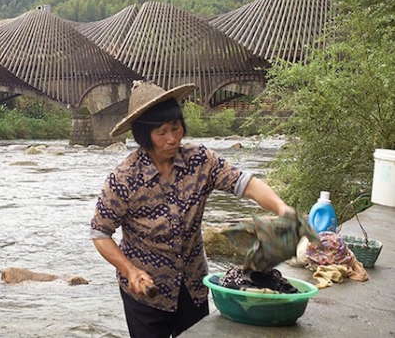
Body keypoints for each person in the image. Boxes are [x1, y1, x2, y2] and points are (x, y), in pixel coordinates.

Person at [90, 81, 293, 338]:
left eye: (176, 128)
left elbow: (245, 183)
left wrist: (281, 208)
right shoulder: (124, 178)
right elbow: (99, 233)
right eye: (162, 132)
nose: (173, 138)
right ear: (144, 136)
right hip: (146, 295)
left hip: (193, 286)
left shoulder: (200, 160)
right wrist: (129, 270)